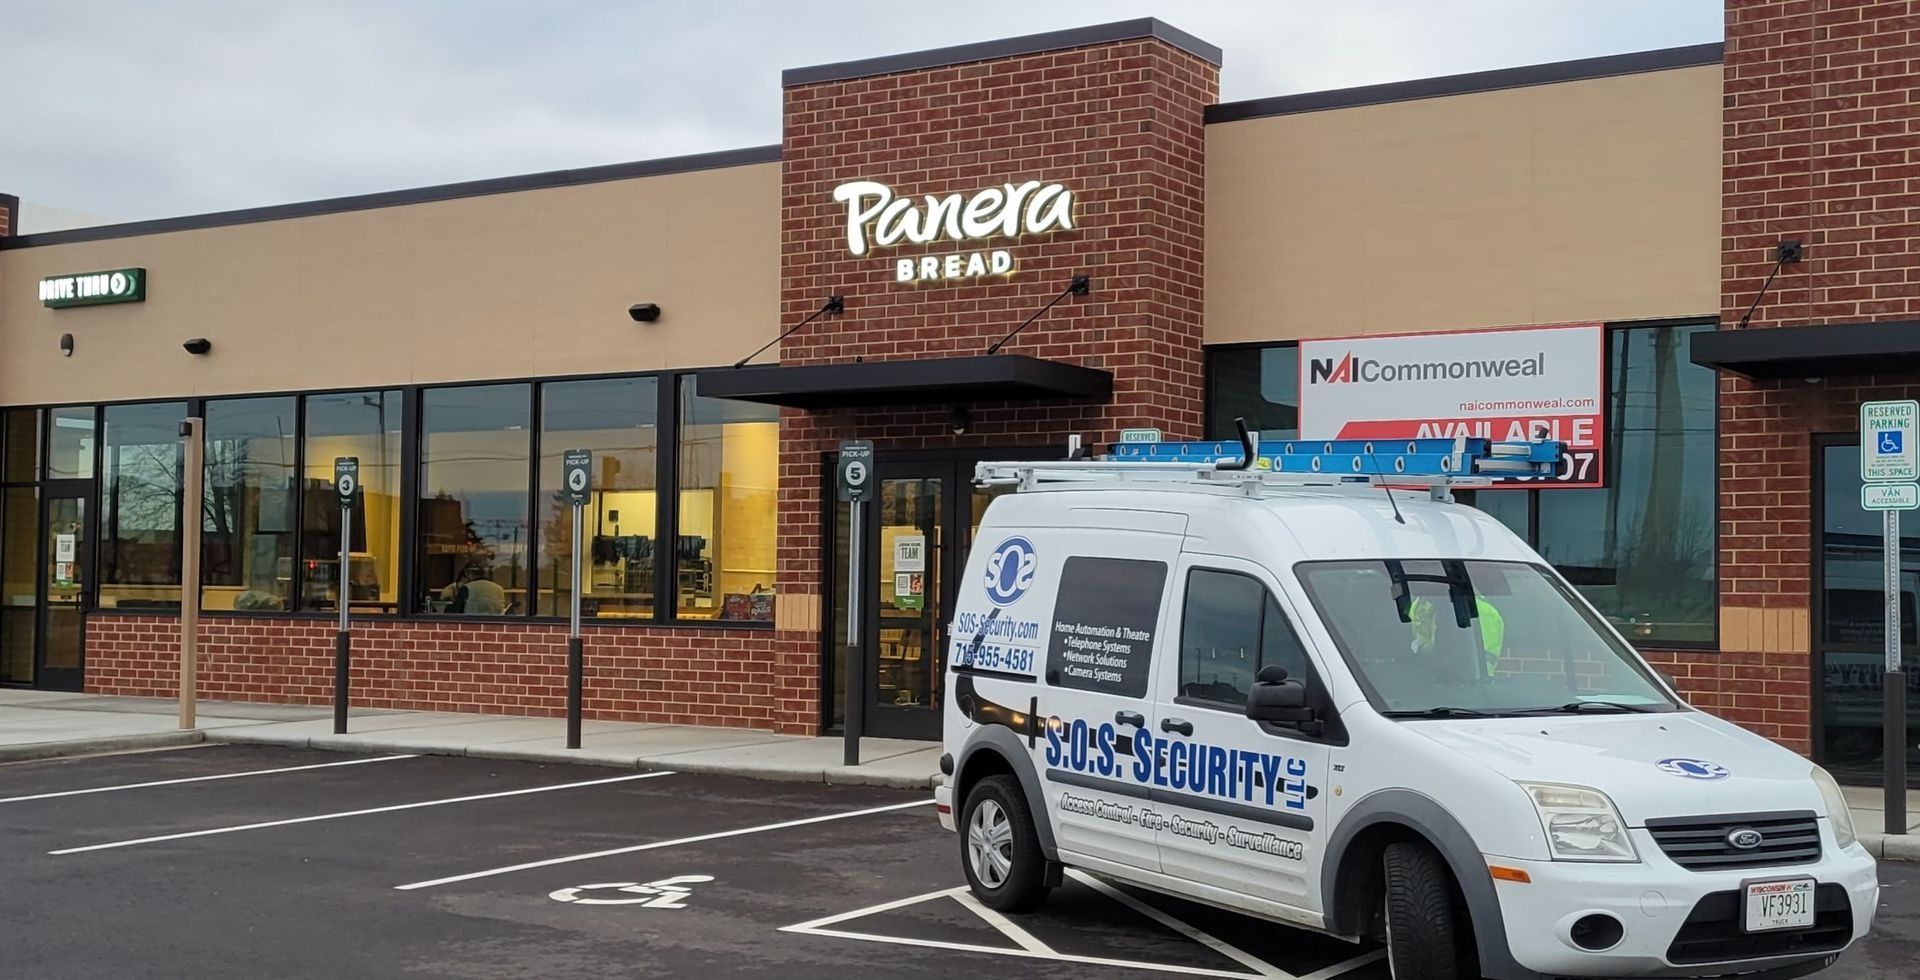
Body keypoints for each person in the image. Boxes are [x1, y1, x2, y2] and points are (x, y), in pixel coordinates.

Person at [442, 563, 507, 615]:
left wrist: (447, 607)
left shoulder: (467, 588)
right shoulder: (499, 588)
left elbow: (456, 610)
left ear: (468, 574)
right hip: (495, 626)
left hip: (471, 624)